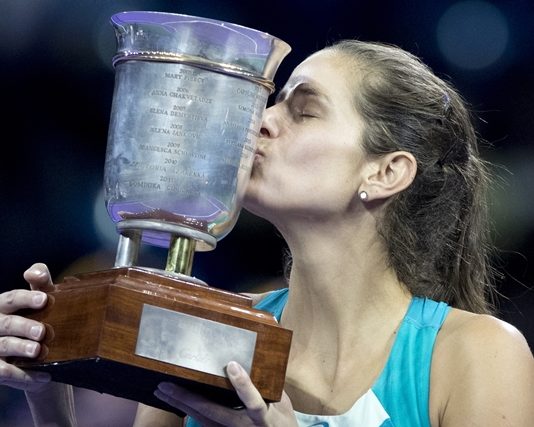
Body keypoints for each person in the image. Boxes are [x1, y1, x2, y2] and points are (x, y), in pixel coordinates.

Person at [1, 39, 533, 427]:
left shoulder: (476, 354)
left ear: (385, 172)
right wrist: (48, 399)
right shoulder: (199, 336)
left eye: (303, 111)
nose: (260, 120)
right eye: (271, 103)